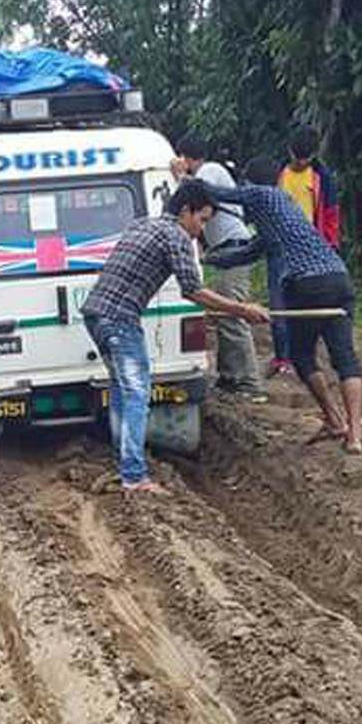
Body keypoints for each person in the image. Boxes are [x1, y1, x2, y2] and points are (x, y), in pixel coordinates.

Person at [82, 181, 270, 495]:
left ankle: (126, 462)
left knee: (123, 391)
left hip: (97, 315)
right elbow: (193, 290)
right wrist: (241, 309)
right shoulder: (176, 236)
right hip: (118, 319)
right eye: (202, 220)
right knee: (136, 396)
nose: (201, 229)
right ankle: (133, 476)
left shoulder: (144, 225)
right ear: (185, 211)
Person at [203, 157, 362, 454]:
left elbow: (218, 194)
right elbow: (246, 254)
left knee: (302, 357)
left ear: (249, 182)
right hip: (339, 280)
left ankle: (334, 418)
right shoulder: (280, 217)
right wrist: (206, 260)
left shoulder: (262, 193)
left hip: (306, 284)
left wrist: (183, 177)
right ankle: (353, 435)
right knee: (345, 359)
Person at [170, 136, 267, 404]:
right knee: (224, 313)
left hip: (235, 249)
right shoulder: (207, 172)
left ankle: (250, 382)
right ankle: (230, 377)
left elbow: (204, 195)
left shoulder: (209, 170)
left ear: (188, 158)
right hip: (226, 250)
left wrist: (180, 178)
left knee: (233, 312)